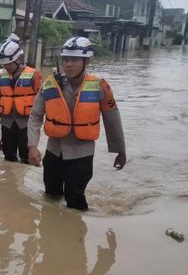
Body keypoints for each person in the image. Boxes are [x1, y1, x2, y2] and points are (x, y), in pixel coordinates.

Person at [27, 37, 127, 210]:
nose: (69, 65)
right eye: (65, 60)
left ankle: (77, 235)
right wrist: (32, 146)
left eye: (74, 60)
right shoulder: (50, 85)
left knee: (75, 199)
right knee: (50, 195)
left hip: (82, 154)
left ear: (86, 61)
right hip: (54, 152)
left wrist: (120, 150)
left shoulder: (99, 86)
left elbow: (112, 119)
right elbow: (35, 116)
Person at [0, 33, 43, 163]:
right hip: (7, 124)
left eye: (9, 63)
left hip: (26, 124)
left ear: (18, 59)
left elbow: (41, 102)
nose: (7, 67)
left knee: (25, 158)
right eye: (5, 64)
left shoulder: (34, 76)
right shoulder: (1, 78)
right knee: (8, 157)